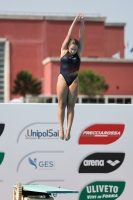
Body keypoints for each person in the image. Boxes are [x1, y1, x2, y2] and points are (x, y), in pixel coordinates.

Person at [56, 13, 84, 141]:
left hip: (74, 80)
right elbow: (69, 34)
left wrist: (82, 23)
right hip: (62, 78)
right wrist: (74, 20)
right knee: (61, 104)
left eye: (75, 49)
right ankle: (61, 128)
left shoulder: (79, 52)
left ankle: (68, 130)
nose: (73, 51)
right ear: (68, 47)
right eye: (71, 49)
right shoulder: (63, 50)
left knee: (71, 105)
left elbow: (81, 36)